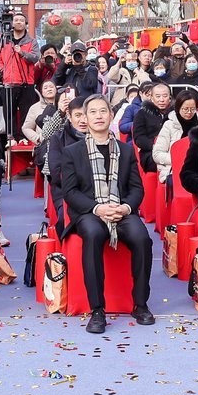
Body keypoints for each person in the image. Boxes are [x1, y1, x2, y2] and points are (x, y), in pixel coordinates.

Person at [56, 94, 156, 333]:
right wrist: (97, 208)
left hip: (121, 209)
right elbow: (70, 192)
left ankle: (140, 303)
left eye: (103, 111)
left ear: (111, 116)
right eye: (93, 112)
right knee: (92, 234)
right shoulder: (72, 152)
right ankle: (97, 309)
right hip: (89, 211)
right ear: (85, 119)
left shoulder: (126, 150)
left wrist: (124, 208)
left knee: (142, 238)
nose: (99, 116)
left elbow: (136, 189)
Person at [152, 88, 198, 185]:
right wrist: (177, 159)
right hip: (173, 169)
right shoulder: (169, 125)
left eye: (192, 109)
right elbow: (157, 154)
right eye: (185, 109)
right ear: (178, 108)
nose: (189, 112)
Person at [132, 82, 172, 173]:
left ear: (170, 98)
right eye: (158, 96)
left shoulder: (175, 114)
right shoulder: (142, 113)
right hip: (150, 152)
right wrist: (156, 146)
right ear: (152, 98)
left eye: (165, 96)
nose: (161, 100)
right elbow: (139, 138)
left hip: (172, 150)